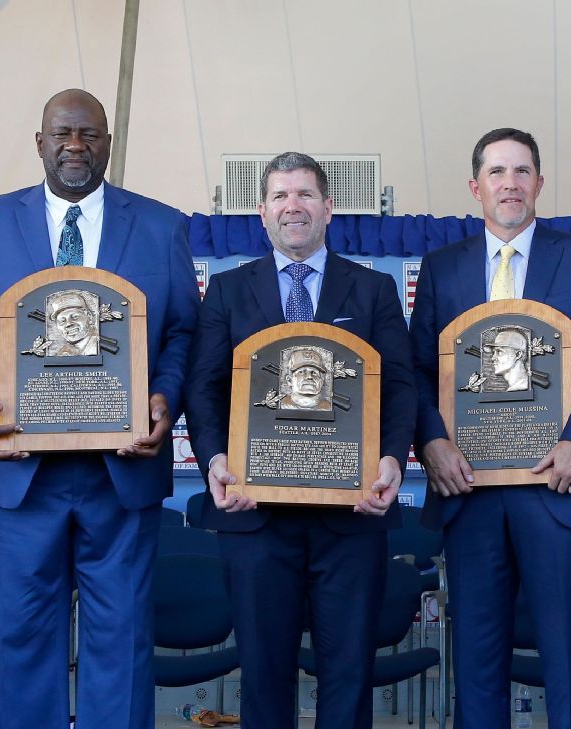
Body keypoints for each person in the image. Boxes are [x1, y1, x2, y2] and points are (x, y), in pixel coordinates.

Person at [0, 89, 200, 728]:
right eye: (62, 134)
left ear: (110, 143)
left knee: (125, 642)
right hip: (22, 470)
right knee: (24, 640)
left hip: (122, 470)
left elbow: (181, 334)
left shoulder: (162, 226)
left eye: (89, 134)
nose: (75, 146)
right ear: (39, 142)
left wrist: (165, 394)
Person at [409, 128, 571, 729]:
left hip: (557, 487)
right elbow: (415, 370)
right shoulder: (441, 267)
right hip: (470, 490)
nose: (510, 183)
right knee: (477, 662)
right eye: (498, 172)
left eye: (522, 171)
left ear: (539, 182)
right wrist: (430, 441)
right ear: (475, 186)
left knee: (568, 660)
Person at [185, 151, 415, 728]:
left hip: (352, 516)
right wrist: (214, 458)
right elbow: (204, 388)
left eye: (305, 195)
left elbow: (401, 387)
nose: (294, 206)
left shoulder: (374, 289)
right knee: (263, 678)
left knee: (348, 674)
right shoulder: (228, 291)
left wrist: (390, 459)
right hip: (254, 514)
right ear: (262, 212)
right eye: (281, 196)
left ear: (329, 208)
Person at [45, 290, 100, 356]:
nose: (68, 324)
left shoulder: (97, 345)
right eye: (62, 321)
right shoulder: (62, 353)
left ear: (89, 316)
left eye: (74, 317)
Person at [279, 347, 332, 411]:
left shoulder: (327, 408)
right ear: (289, 380)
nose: (309, 377)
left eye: (314, 373)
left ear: (321, 381)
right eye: (301, 372)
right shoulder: (282, 405)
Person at [486, 328, 531, 392]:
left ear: (518, 355)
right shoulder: (515, 386)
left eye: (499, 352)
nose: (493, 358)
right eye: (494, 352)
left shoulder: (522, 385)